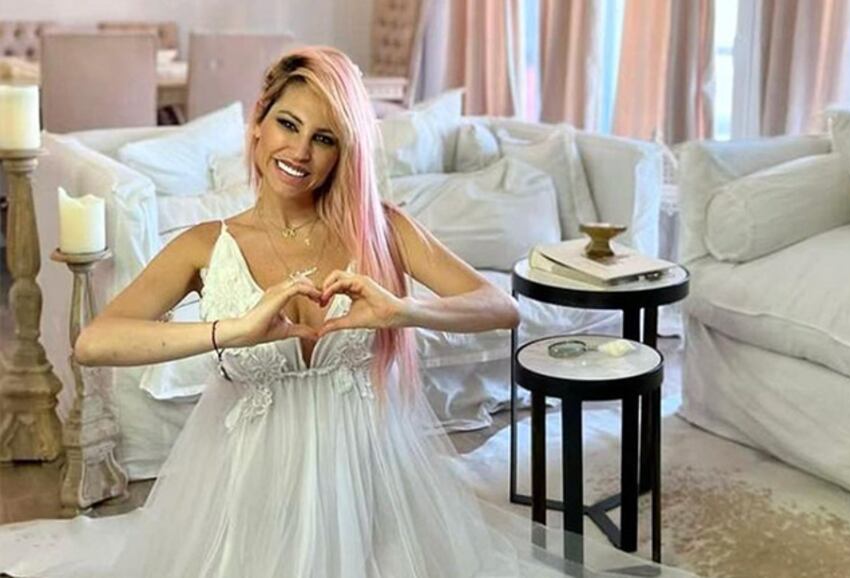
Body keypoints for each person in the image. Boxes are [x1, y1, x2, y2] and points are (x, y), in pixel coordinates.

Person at [0, 47, 694, 578]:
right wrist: (231, 330)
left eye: (325, 137)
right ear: (257, 125)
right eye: (288, 124)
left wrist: (403, 311)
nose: (300, 152)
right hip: (245, 482)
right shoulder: (205, 244)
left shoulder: (380, 228)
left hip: (366, 476)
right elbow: (95, 341)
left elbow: (498, 307)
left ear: (344, 151)